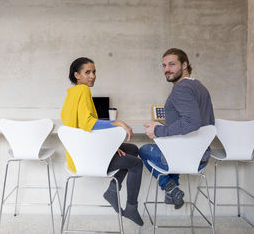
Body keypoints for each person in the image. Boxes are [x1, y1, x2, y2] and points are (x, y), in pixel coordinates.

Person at [61, 57, 144, 226]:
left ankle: (113, 191)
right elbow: (87, 124)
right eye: (87, 72)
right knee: (136, 164)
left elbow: (80, 130)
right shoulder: (83, 90)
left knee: (132, 149)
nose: (92, 76)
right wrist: (117, 123)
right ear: (77, 75)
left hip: (77, 155)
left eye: (94, 72)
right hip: (88, 158)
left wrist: (111, 147)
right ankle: (131, 207)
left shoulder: (71, 94)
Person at [139, 48, 215, 209]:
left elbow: (191, 122)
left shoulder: (181, 88)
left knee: (144, 150)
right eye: (164, 65)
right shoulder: (200, 87)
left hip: (182, 157)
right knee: (171, 148)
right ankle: (172, 192)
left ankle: (170, 187)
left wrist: (157, 131)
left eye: (172, 64)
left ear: (185, 65)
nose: (167, 69)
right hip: (199, 158)